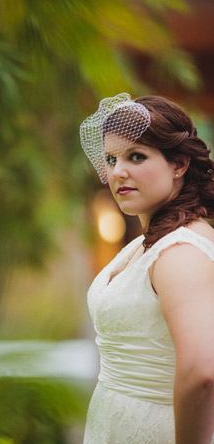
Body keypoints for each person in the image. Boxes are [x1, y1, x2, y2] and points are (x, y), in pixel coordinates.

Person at [79, 93, 214, 443]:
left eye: (136, 156)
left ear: (179, 164)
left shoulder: (180, 251)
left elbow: (202, 372)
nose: (117, 171)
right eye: (111, 158)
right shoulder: (148, 242)